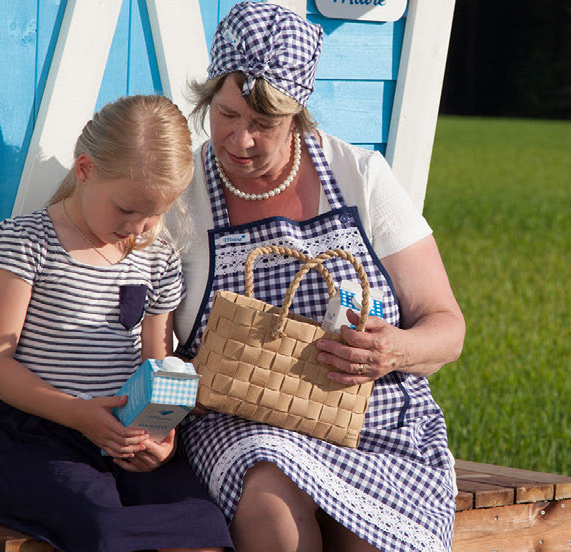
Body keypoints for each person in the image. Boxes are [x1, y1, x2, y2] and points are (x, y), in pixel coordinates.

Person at [169, 3, 466, 551]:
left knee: (374, 538)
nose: (240, 140)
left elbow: (447, 327)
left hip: (372, 420)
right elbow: (143, 340)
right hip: (242, 418)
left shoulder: (361, 177)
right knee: (273, 512)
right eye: (227, 115)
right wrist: (187, 381)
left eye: (263, 124)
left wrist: (392, 351)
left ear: (298, 114)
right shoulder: (181, 200)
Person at [0, 95, 233, 552]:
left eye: (154, 213)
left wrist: (161, 436)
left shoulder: (157, 257)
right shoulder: (27, 243)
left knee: (204, 523)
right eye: (126, 209)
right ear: (86, 170)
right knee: (103, 525)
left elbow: (157, 362)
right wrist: (76, 414)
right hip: (37, 434)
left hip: (124, 432)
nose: (138, 226)